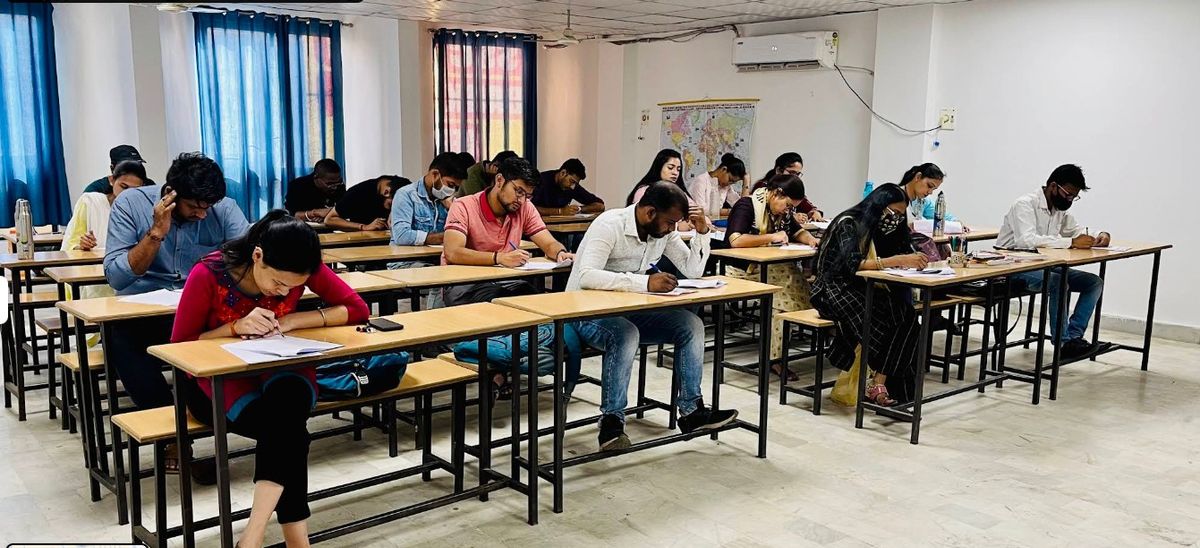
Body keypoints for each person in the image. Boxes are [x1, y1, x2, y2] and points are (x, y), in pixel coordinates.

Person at [173, 211, 369, 548]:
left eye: (292, 287)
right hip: (221, 378)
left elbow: (357, 309)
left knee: (288, 409)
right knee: (289, 431)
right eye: (278, 283)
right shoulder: (208, 274)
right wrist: (234, 328)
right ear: (257, 255)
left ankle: (253, 536)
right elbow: (179, 347)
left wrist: (292, 321)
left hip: (280, 364)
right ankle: (294, 542)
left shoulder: (300, 264)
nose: (283, 292)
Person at [569, 181, 737, 450]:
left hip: (628, 311)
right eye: (670, 222)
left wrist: (702, 232)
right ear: (649, 213)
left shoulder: (662, 232)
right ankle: (612, 422)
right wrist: (644, 283)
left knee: (691, 325)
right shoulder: (609, 224)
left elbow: (692, 270)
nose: (673, 229)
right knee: (625, 334)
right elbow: (587, 276)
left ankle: (692, 412)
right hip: (584, 312)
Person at [103, 152, 250, 410]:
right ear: (170, 193)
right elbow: (116, 277)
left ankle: (212, 407)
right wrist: (156, 233)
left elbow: (248, 261)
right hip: (142, 312)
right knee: (120, 338)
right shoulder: (131, 204)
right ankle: (164, 418)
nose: (202, 215)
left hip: (199, 308)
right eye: (193, 207)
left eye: (207, 208)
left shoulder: (223, 208)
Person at [811, 183, 930, 406]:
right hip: (833, 290)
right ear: (879, 205)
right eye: (893, 212)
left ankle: (879, 381)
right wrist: (896, 261)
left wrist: (907, 259)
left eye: (900, 215)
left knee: (907, 317)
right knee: (892, 321)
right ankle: (882, 385)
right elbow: (851, 265)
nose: (895, 219)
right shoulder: (848, 223)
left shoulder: (876, 226)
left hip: (860, 286)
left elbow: (893, 253)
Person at [997, 164, 1110, 359]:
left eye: (1074, 197)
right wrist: (1071, 242)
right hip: (1013, 265)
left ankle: (1074, 337)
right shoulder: (1024, 204)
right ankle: (1063, 343)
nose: (1070, 200)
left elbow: (1076, 230)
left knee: (1094, 283)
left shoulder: (1059, 210)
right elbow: (1026, 240)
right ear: (1053, 186)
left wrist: (1101, 234)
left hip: (1043, 265)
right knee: (1059, 282)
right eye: (1068, 195)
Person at [442, 157, 573, 306]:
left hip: (504, 279)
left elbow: (548, 243)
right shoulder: (463, 206)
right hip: (465, 283)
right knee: (503, 301)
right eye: (518, 191)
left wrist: (560, 253)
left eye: (528, 196)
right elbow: (452, 252)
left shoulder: (525, 207)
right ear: (499, 180)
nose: (521, 200)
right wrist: (499, 258)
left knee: (534, 299)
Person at [725, 174, 821, 376]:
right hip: (744, 270)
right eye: (788, 205)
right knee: (784, 292)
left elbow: (797, 232)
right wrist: (771, 237)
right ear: (777, 193)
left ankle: (777, 354)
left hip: (773, 269)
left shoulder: (782, 212)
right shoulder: (747, 205)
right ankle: (775, 358)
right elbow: (735, 240)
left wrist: (811, 239)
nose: (788, 210)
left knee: (792, 286)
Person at [61, 160, 150, 299]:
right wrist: (82, 245)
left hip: (129, 278)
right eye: (123, 187)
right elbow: (69, 246)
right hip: (94, 280)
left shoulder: (144, 209)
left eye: (134, 190)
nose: (127, 194)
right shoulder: (90, 202)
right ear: (112, 180)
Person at [388, 152, 468, 271]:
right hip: (406, 262)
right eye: (450, 185)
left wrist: (452, 210)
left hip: (438, 260)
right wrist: (447, 237)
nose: (452, 190)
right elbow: (402, 236)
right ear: (435, 174)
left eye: (456, 187)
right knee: (440, 276)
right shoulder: (406, 195)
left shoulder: (449, 202)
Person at [626, 149, 700, 232]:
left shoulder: (678, 193)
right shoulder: (644, 191)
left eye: (678, 169)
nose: (675, 173)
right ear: (659, 167)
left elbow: (695, 211)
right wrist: (677, 226)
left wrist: (700, 220)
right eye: (670, 168)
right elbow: (642, 220)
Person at [751, 152, 824, 222]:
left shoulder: (793, 189)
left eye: (798, 174)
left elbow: (807, 206)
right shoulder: (762, 187)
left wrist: (814, 213)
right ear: (779, 170)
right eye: (792, 173)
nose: (795, 177)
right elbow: (762, 214)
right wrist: (791, 218)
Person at [322, 175, 408, 232]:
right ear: (386, 192)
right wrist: (363, 227)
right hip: (361, 243)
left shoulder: (402, 187)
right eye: (391, 205)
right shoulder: (358, 193)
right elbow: (329, 220)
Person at [532, 158, 604, 216]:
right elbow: (530, 209)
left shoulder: (572, 186)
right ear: (563, 173)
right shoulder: (541, 181)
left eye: (575, 183)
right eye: (572, 181)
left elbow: (600, 205)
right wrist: (560, 211)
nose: (573, 187)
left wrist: (578, 209)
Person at [687, 153, 749, 219]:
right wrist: (728, 211)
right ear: (724, 169)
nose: (729, 183)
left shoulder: (726, 186)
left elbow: (742, 206)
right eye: (730, 179)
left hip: (713, 221)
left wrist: (746, 181)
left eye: (733, 182)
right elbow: (701, 210)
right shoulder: (701, 180)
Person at [82, 145, 156, 194]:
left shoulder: (149, 186)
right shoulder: (94, 192)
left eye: (137, 165)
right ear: (112, 169)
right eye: (124, 187)